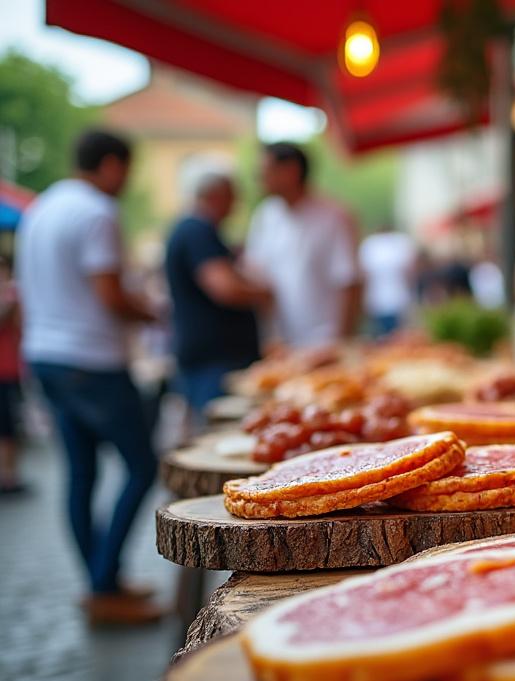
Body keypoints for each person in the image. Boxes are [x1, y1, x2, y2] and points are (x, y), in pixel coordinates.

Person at [15, 129, 162, 622]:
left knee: (81, 472)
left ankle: (102, 582)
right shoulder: (97, 212)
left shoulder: (42, 208)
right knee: (141, 466)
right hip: (91, 360)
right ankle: (103, 584)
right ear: (111, 165)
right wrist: (151, 312)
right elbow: (111, 295)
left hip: (45, 355)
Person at [164, 172, 267, 431]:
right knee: (223, 430)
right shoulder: (198, 230)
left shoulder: (192, 229)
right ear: (215, 196)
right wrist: (264, 293)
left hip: (210, 356)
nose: (235, 206)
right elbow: (224, 288)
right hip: (215, 359)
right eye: (232, 198)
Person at [243, 142, 360, 348]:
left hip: (325, 342)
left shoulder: (334, 216)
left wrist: (340, 342)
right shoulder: (265, 216)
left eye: (266, 172)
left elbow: (349, 283)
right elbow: (258, 278)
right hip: (283, 345)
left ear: (291, 171)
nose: (261, 181)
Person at [358, 224, 419, 337]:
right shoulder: (400, 243)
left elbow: (364, 276)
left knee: (385, 336)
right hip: (398, 298)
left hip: (379, 300)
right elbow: (410, 273)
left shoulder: (370, 245)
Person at [0, 259, 23, 494]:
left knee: (10, 426)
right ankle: (8, 478)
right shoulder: (9, 296)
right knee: (6, 427)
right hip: (3, 373)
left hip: (11, 370)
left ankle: (10, 474)